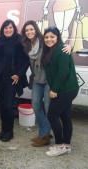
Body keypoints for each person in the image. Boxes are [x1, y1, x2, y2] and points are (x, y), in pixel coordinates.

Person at [21, 20, 72, 147]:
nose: (29, 32)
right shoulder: (27, 45)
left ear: (36, 30)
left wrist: (69, 46)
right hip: (37, 80)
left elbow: (57, 44)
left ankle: (44, 135)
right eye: (27, 30)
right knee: (36, 107)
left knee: (49, 109)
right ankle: (44, 131)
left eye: (31, 29)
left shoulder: (44, 41)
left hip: (49, 80)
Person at [41, 26, 79, 156]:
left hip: (65, 89)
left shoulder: (61, 50)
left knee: (52, 115)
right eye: (46, 37)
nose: (49, 39)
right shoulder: (52, 50)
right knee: (65, 116)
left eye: (52, 36)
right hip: (66, 89)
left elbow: (63, 72)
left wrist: (54, 89)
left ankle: (59, 145)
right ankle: (66, 146)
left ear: (57, 37)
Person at [0, 19, 30, 142]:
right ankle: (3, 129)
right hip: (0, 79)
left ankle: (10, 131)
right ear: (3, 29)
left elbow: (25, 61)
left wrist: (18, 75)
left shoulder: (20, 41)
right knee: (2, 105)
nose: (8, 30)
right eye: (5, 28)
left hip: (12, 79)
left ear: (14, 29)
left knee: (8, 105)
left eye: (10, 28)